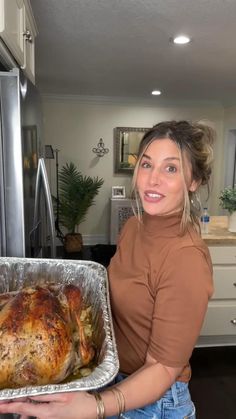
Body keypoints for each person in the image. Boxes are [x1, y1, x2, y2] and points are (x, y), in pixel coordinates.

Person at [0, 120, 214, 419]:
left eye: (171, 169)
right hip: (113, 379)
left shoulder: (186, 259)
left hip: (155, 403)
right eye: (146, 164)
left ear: (194, 181)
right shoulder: (134, 227)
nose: (152, 180)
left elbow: (163, 368)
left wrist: (95, 406)